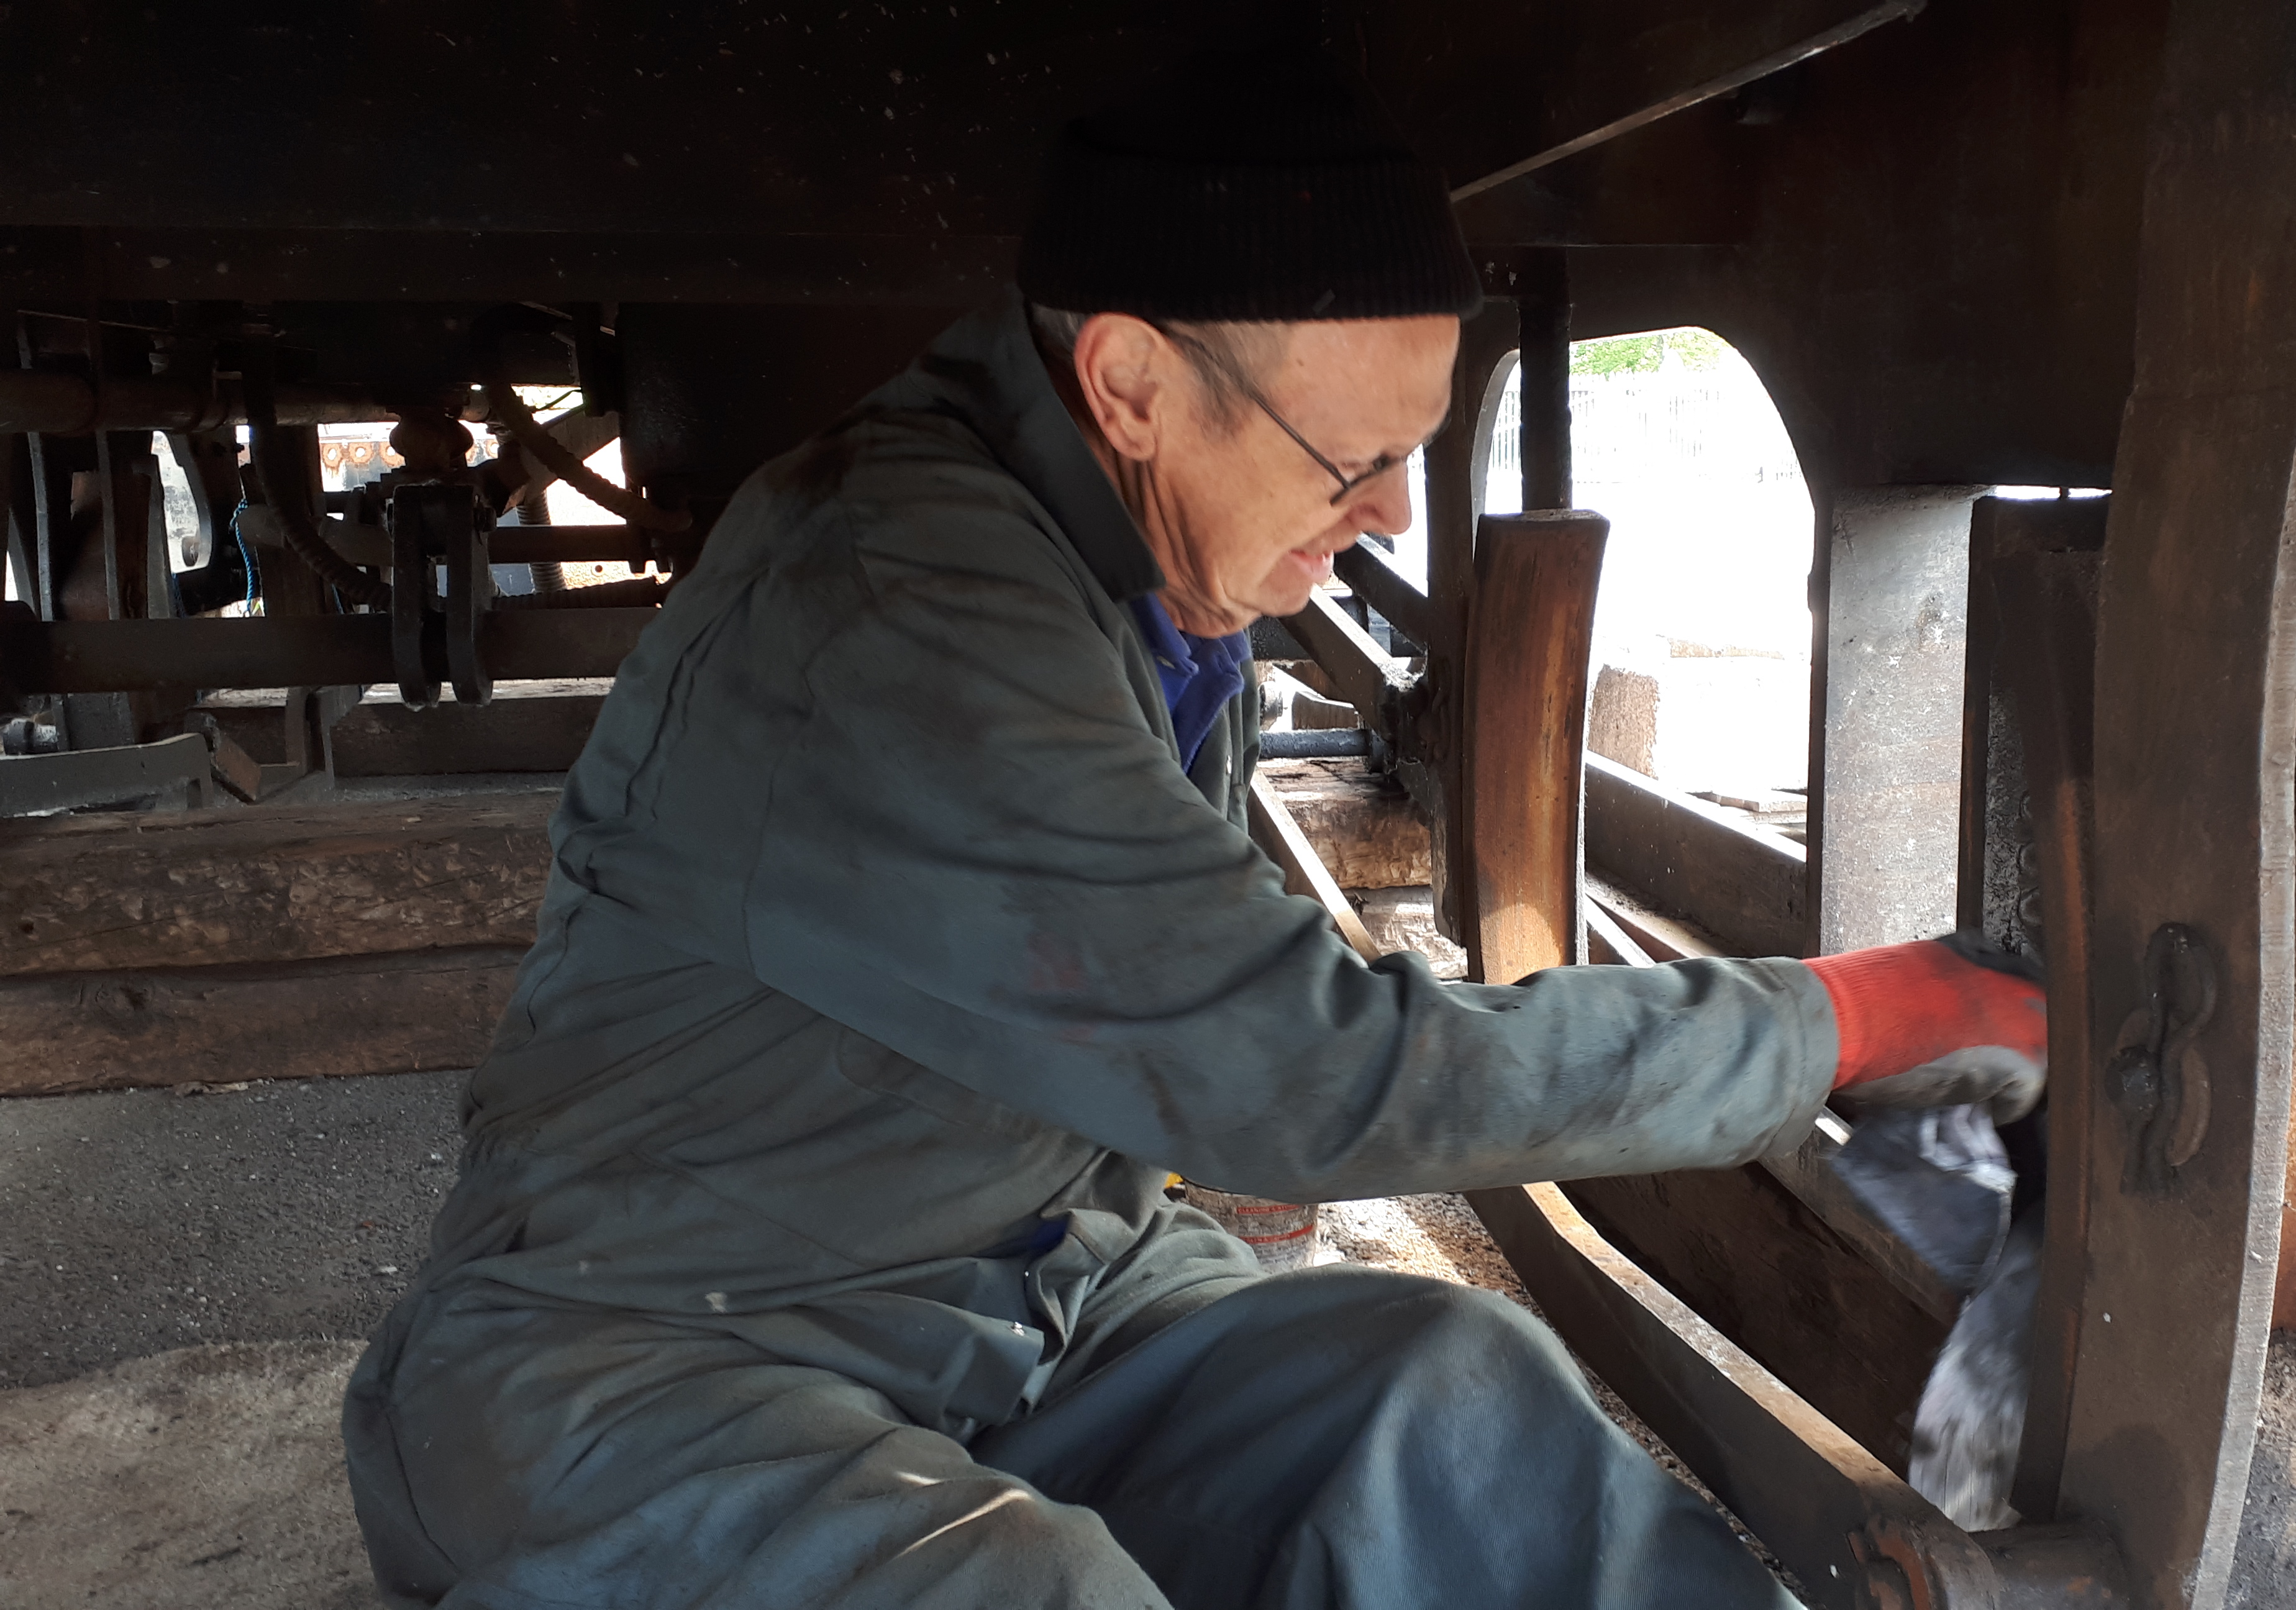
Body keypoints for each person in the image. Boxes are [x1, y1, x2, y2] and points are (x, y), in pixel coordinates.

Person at [342, 45, 2048, 1610]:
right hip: (638, 1374)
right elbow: (1305, 1078)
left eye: (1416, 458)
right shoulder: (895, 599)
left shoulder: (1153, 578)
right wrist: (1853, 1020)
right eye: (1348, 460)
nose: (1387, 514)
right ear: (1134, 384)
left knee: (1453, 1403)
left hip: (1027, 1313)